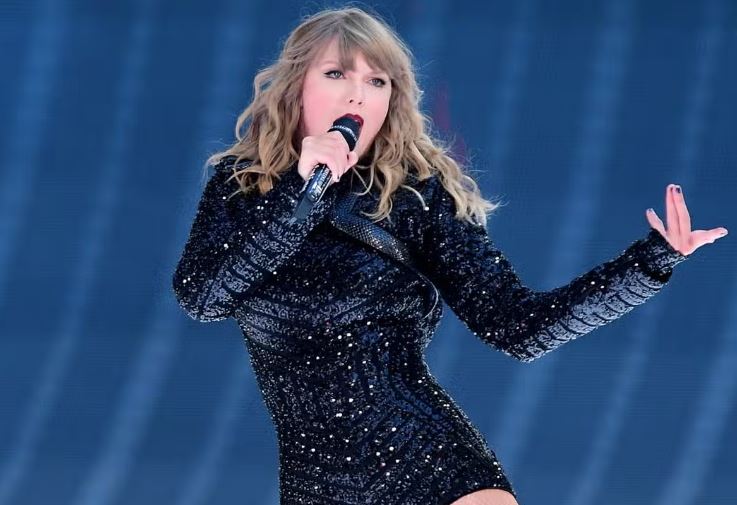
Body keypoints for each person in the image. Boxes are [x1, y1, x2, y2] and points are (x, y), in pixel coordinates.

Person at [171, 6, 728, 505]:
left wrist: (650, 264)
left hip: (426, 457)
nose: (357, 95)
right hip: (314, 480)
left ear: (391, 100)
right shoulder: (240, 188)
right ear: (296, 85)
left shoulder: (415, 195)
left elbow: (518, 327)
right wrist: (303, 188)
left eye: (377, 80)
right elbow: (203, 297)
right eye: (336, 73)